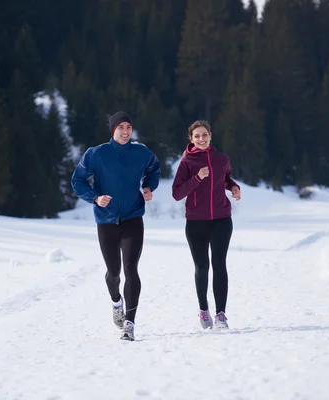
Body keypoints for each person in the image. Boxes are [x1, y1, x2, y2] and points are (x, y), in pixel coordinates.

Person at [71, 111, 161, 341]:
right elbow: (77, 179)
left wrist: (149, 187)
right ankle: (116, 302)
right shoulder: (97, 153)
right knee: (114, 273)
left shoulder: (141, 152)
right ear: (113, 130)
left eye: (128, 127)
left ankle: (129, 324)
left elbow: (154, 169)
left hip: (132, 218)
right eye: (120, 127)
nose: (125, 131)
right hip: (106, 220)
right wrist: (95, 197)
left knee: (131, 268)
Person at [171, 120, 241, 330]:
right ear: (191, 139)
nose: (201, 139)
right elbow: (177, 193)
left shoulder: (222, 159)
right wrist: (197, 178)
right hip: (196, 222)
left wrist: (234, 187)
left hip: (221, 219)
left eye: (204, 135)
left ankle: (221, 315)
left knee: (220, 264)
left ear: (211, 135)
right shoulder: (187, 163)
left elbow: (225, 179)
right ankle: (203, 310)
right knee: (202, 267)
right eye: (197, 136)